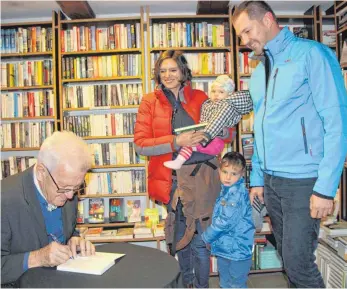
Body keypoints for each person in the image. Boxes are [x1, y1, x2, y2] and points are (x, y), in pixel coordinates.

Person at [233, 1, 347, 288]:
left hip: (304, 181)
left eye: (248, 31)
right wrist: (257, 178)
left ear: (268, 19)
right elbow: (261, 129)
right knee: (288, 259)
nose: (246, 42)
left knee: (299, 263)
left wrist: (325, 187)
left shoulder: (312, 55)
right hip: (272, 182)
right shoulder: (258, 73)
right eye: (241, 37)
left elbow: (337, 123)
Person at [134, 50, 234, 288]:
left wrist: (213, 132)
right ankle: (186, 284)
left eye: (173, 70)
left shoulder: (200, 97)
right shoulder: (149, 101)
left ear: (183, 72)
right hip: (173, 180)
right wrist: (176, 142)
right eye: (163, 70)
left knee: (200, 241)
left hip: (203, 178)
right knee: (180, 239)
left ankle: (201, 286)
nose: (167, 75)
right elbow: (140, 145)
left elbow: (227, 132)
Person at [1, 131, 96, 286]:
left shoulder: (67, 185)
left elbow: (68, 229)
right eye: (64, 188)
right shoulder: (4, 199)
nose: (70, 196)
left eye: (77, 187)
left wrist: (74, 239)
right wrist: (37, 258)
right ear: (41, 173)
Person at [164, 75, 252, 170]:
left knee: (190, 144)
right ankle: (178, 162)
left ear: (229, 95)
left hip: (214, 143)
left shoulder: (226, 106)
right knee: (189, 144)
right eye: (213, 91)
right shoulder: (207, 104)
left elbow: (231, 133)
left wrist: (222, 131)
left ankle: (178, 162)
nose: (216, 95)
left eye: (221, 92)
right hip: (199, 154)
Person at [202, 152, 255, 288]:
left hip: (237, 250)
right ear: (219, 170)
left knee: (236, 284)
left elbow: (224, 222)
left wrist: (206, 237)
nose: (228, 177)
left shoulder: (236, 194)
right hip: (226, 248)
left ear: (242, 173)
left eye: (233, 173)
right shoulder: (226, 190)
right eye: (225, 172)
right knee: (225, 283)